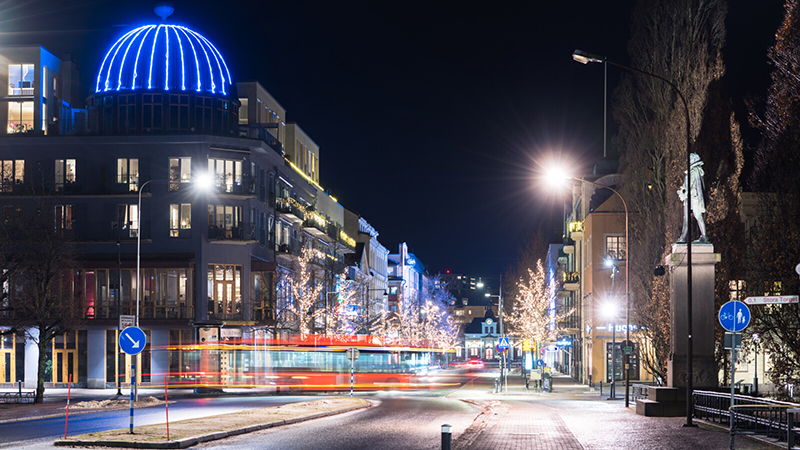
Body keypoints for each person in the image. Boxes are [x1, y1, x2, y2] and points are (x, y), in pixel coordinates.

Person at [677, 153, 709, 243]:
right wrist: (682, 191)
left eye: (690, 159)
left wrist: (684, 193)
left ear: (694, 160)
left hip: (693, 197)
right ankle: (683, 237)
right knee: (688, 218)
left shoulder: (694, 171)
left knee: (697, 216)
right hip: (690, 198)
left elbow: (690, 185)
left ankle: (704, 236)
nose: (689, 160)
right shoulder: (692, 171)